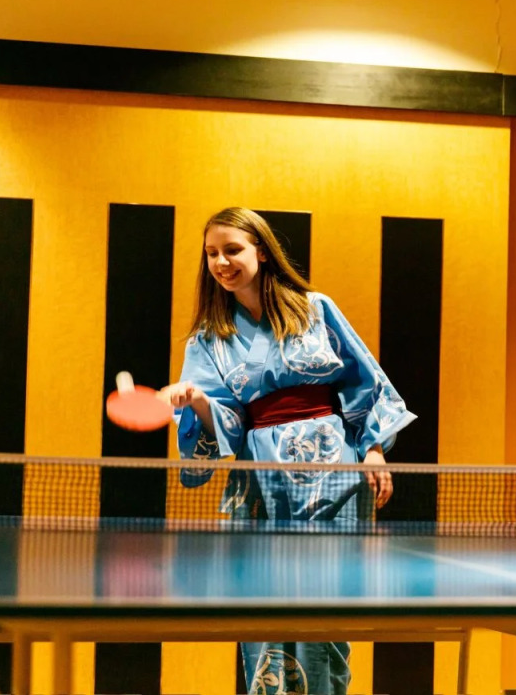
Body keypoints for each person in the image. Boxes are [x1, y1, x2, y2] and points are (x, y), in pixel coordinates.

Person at [159, 206, 416, 695]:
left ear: (261, 251)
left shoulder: (314, 308)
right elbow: (225, 426)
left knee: (325, 602)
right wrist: (196, 402)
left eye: (232, 250)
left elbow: (366, 381)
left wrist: (373, 449)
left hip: (331, 469)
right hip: (260, 477)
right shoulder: (208, 338)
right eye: (211, 254)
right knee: (263, 601)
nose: (221, 262)